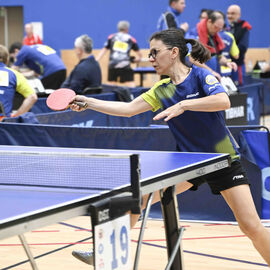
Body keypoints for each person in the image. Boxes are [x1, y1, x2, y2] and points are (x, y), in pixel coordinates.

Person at [70, 29, 270, 267]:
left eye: (155, 53)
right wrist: (88, 102)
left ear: (174, 52)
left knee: (250, 225)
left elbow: (223, 101)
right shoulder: (162, 90)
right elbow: (128, 109)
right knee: (139, 198)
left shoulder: (201, 77)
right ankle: (102, 251)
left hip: (223, 160)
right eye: (149, 54)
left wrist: (185, 104)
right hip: (191, 164)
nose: (150, 59)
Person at [186, 10, 237, 81]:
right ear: (209, 21)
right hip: (197, 78)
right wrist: (211, 72)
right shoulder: (194, 34)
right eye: (216, 27)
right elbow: (192, 59)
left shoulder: (215, 36)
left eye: (220, 29)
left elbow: (218, 56)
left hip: (211, 77)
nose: (217, 31)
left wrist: (227, 63)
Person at [96, 20, 142, 88]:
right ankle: (133, 97)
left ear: (118, 28)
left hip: (112, 65)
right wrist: (136, 60)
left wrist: (96, 60)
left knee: (111, 86)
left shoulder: (111, 37)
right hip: (125, 65)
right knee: (130, 85)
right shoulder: (130, 39)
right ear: (127, 29)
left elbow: (103, 50)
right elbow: (139, 55)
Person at [0, 45, 37, 119]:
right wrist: (16, 117)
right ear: (7, 60)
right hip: (3, 124)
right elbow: (32, 97)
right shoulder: (15, 74)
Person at [227, 4, 252, 85]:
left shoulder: (244, 27)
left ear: (239, 15)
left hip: (238, 66)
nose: (229, 16)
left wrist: (228, 53)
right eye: (228, 13)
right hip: (226, 66)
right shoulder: (228, 28)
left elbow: (243, 47)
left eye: (233, 13)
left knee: (239, 90)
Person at [218, 11, 240, 77]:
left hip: (214, 71)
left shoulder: (210, 36)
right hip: (226, 71)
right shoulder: (229, 36)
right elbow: (236, 55)